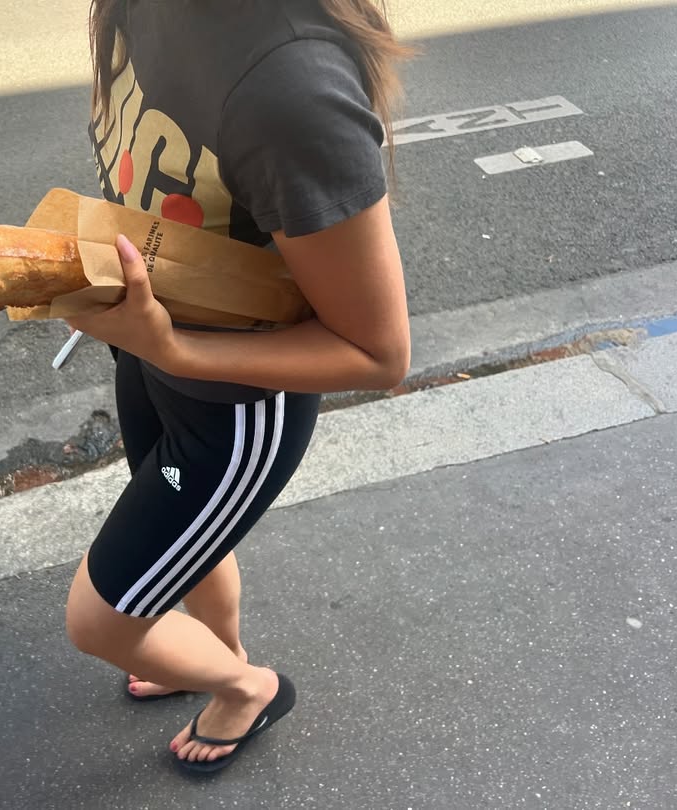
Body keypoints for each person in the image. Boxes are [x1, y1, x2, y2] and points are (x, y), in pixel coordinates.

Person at [62, 0, 413, 773]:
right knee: (194, 543)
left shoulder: (292, 88)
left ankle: (248, 689)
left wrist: (174, 348)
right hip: (153, 353)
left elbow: (379, 354)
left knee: (101, 620)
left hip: (236, 411)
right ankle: (214, 655)